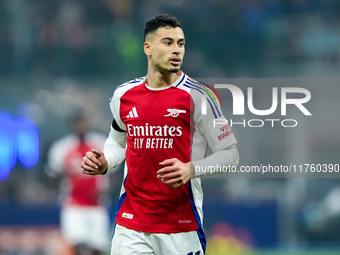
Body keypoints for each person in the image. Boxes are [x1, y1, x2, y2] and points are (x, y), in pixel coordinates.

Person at [81, 14, 239, 255]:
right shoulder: (124, 95)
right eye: (168, 42)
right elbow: (118, 139)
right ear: (148, 47)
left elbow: (231, 154)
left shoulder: (200, 97)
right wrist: (106, 162)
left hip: (181, 225)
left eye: (181, 44)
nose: (177, 50)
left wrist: (191, 168)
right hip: (131, 224)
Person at [47, 112, 111, 255]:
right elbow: (53, 173)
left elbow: (113, 171)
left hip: (97, 204)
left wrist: (106, 188)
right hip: (73, 204)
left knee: (98, 246)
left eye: (83, 123)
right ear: (72, 126)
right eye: (77, 124)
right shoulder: (62, 148)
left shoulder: (101, 143)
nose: (81, 127)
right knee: (77, 243)